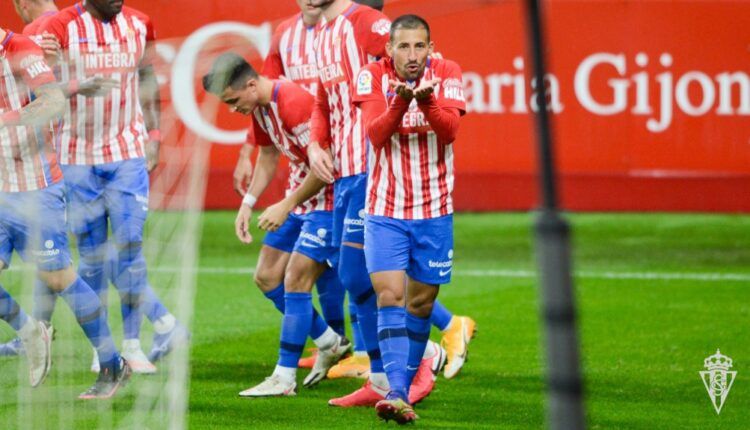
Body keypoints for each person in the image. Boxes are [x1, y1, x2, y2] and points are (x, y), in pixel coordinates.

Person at [40, 0, 188, 374]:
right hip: (76, 159)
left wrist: (153, 135)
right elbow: (39, 87)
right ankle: (102, 347)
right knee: (90, 258)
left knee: (130, 248)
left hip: (126, 153)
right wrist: (76, 85)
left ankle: (134, 345)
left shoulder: (139, 23)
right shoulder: (60, 27)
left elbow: (147, 77)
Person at [203, 53, 351, 396]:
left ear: (252, 84)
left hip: (329, 197)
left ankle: (284, 378)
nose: (232, 109)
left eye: (233, 100)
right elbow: (268, 155)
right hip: (302, 197)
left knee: (298, 278)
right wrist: (247, 203)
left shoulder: (294, 102)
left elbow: (326, 165)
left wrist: (286, 204)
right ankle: (330, 341)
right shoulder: (260, 107)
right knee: (267, 277)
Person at [0, 28, 130, 398]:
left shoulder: (19, 48)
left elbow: (53, 101)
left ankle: (112, 363)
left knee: (58, 278)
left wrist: (5, 121)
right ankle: (30, 333)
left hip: (34, 189)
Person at [351, 14, 467, 422]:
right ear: (389, 49)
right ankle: (397, 391)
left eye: (420, 46)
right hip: (385, 209)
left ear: (431, 48)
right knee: (389, 295)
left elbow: (450, 130)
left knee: (421, 302)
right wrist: (402, 100)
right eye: (404, 46)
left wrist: (427, 101)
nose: (412, 55)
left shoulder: (447, 72)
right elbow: (376, 135)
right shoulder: (371, 76)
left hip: (435, 210)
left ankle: (411, 383)